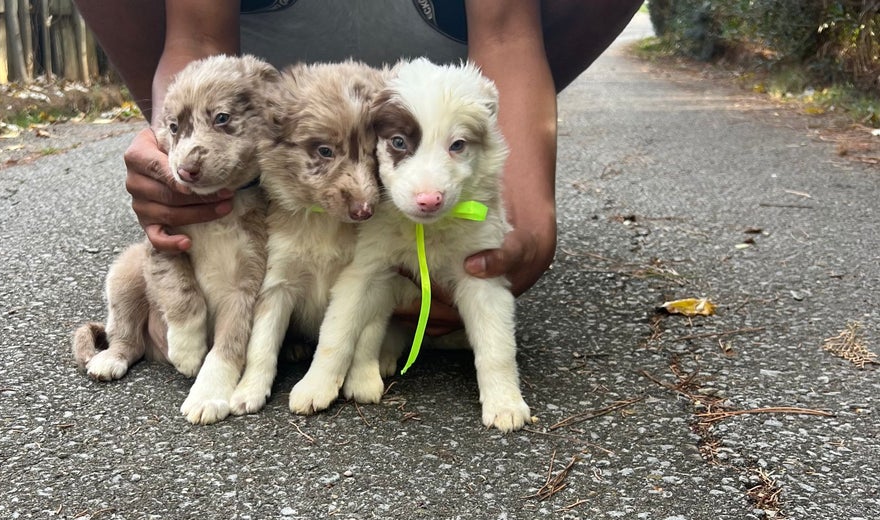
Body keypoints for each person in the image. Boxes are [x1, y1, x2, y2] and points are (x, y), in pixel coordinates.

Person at [72, 0, 644, 334]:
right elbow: (198, 33)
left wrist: (525, 221)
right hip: (271, 87)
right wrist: (180, 157)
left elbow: (505, 31)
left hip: (425, 81)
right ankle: (239, 196)